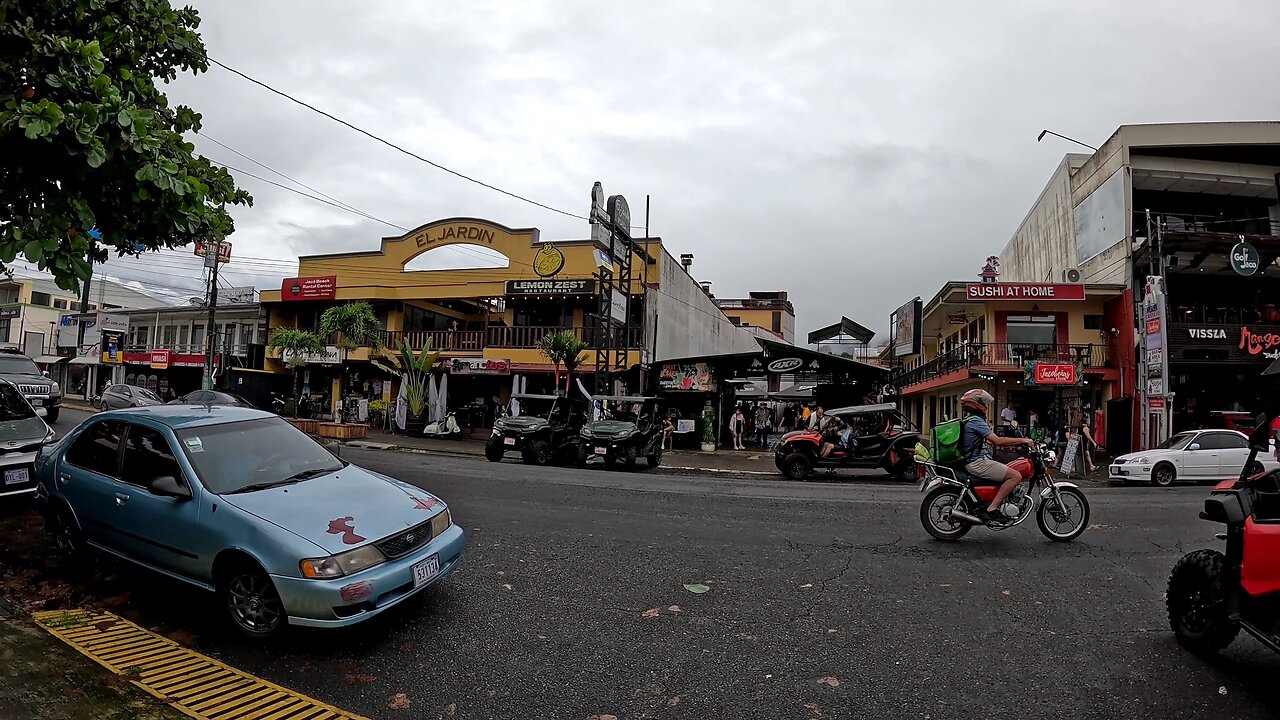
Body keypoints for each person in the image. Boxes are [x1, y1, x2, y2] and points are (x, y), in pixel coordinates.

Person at [959, 389, 1034, 518]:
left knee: (1008, 470)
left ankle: (996, 502)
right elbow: (997, 441)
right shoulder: (976, 421)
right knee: (1015, 476)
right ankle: (992, 508)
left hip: (978, 460)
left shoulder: (970, 420)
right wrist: (1023, 440)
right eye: (984, 403)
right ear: (977, 404)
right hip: (978, 462)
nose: (986, 407)